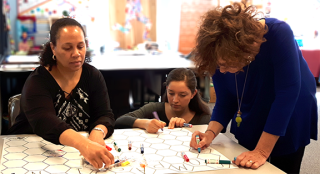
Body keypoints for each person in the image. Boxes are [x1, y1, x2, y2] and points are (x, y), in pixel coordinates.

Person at [189, 3, 318, 174]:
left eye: (225, 64)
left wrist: (262, 151)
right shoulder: (218, 54)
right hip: (252, 101)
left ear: (241, 50)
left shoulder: (279, 32)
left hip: (292, 106)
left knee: (282, 163)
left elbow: (287, 93)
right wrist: (210, 134)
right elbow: (225, 100)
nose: (222, 71)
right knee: (247, 159)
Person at [6, 17, 115, 169]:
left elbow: (105, 114)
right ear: (53, 48)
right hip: (31, 153)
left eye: (80, 46)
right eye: (68, 48)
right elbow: (45, 122)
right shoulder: (38, 81)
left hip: (72, 156)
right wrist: (85, 145)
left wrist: (97, 133)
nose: (76, 53)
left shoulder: (92, 76)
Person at [115, 68, 211, 133]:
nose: (175, 100)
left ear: (193, 94)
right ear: (166, 89)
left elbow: (220, 133)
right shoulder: (154, 109)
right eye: (171, 93)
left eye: (182, 95)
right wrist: (145, 123)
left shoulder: (203, 118)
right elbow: (120, 121)